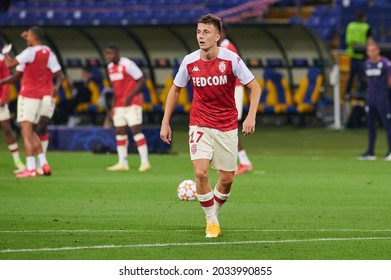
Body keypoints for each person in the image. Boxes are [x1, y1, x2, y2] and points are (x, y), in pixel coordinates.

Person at [160, 14, 261, 238]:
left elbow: (255, 87)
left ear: (217, 35)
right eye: (198, 32)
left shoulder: (232, 60)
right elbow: (175, 89)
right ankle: (211, 221)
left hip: (226, 125)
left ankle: (212, 211)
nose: (201, 36)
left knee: (226, 180)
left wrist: (251, 116)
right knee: (201, 173)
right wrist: (165, 122)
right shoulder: (189, 61)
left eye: (206, 32)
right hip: (200, 123)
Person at [1, 26, 63, 178]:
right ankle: (43, 163)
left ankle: (30, 168)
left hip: (28, 95)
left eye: (28, 35)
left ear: (33, 37)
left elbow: (10, 65)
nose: (25, 37)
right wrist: (56, 87)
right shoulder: (48, 52)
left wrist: (5, 53)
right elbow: (59, 74)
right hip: (44, 96)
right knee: (35, 131)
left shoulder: (28, 53)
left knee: (26, 132)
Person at [105, 44, 151, 172]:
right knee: (120, 131)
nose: (109, 56)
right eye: (107, 54)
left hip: (132, 103)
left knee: (136, 130)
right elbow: (115, 88)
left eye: (111, 53)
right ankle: (122, 162)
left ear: (117, 53)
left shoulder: (128, 64)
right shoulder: (109, 68)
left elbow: (142, 79)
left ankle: (145, 162)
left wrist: (131, 96)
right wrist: (112, 107)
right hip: (119, 105)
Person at [219, 24, 253, 175]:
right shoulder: (223, 46)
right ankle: (240, 161)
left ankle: (242, 162)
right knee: (224, 127)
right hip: (231, 89)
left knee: (228, 126)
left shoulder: (226, 46)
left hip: (234, 89)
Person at [358, 42, 391, 161]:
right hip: (370, 97)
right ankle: (370, 152)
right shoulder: (366, 64)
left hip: (382, 97)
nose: (371, 53)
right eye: (369, 50)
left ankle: (390, 152)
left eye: (373, 50)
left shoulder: (385, 63)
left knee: (387, 124)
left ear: (378, 51)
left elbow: (389, 80)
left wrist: (382, 91)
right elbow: (368, 80)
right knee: (371, 125)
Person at [0, 53, 25, 173]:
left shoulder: (1, 59)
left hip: (0, 102)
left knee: (7, 129)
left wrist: (4, 98)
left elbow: (6, 77)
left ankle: (17, 161)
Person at [345, 10, 372, 97]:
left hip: (352, 54)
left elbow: (348, 40)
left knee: (351, 75)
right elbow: (369, 40)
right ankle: (362, 93)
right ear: (363, 17)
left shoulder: (350, 25)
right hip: (362, 55)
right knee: (363, 76)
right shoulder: (366, 26)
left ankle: (347, 93)